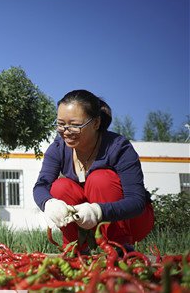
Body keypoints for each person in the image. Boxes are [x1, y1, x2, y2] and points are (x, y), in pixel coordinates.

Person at [33, 89, 155, 251]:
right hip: (83, 221)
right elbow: (41, 186)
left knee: (100, 179)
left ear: (96, 123)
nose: (66, 131)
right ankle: (76, 249)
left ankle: (118, 249)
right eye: (61, 124)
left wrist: (99, 211)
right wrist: (48, 203)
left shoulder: (119, 147)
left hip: (131, 220)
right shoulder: (58, 149)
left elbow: (136, 202)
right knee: (60, 187)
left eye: (75, 125)